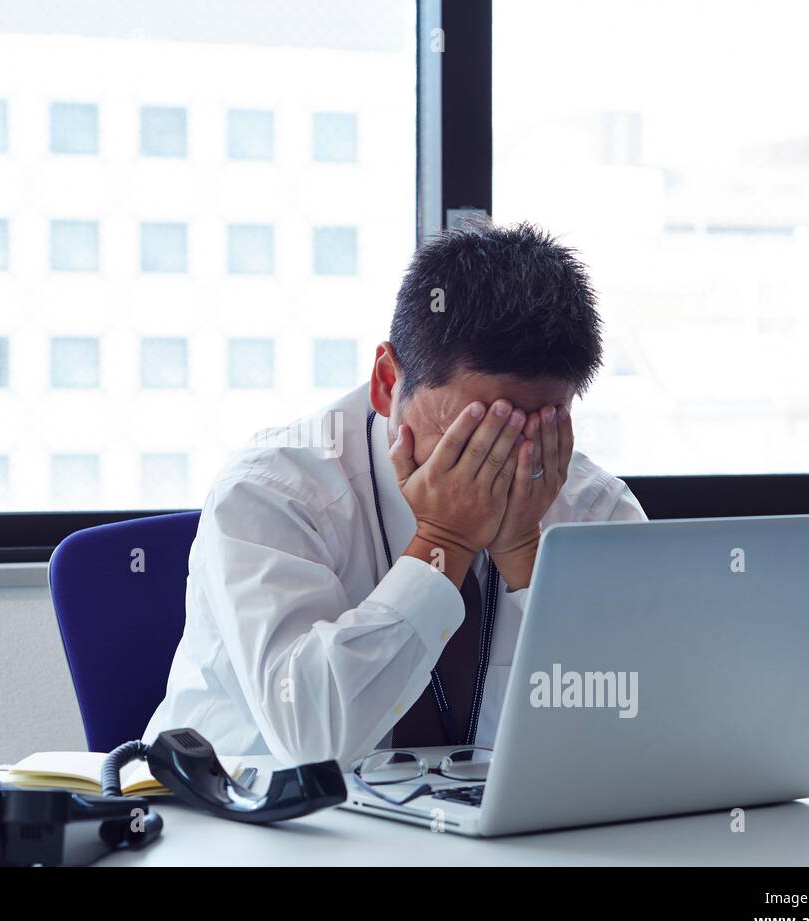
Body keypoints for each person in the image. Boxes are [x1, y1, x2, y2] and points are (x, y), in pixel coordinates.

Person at [144, 221, 647, 767]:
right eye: (474, 428)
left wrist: (529, 559)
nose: (500, 460)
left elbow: (638, 727)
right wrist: (443, 543)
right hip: (258, 829)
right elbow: (312, 741)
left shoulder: (591, 505)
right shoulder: (271, 492)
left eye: (536, 427)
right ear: (387, 382)